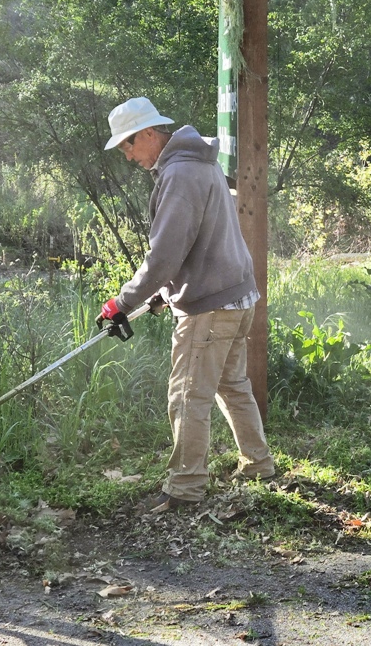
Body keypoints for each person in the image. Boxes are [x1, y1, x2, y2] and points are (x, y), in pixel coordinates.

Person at [100, 97, 274, 513]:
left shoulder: (178, 172)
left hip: (210, 307)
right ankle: (259, 465)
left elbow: (164, 256)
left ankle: (185, 488)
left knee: (186, 394)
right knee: (231, 385)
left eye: (127, 145)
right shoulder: (199, 161)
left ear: (147, 134)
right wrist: (164, 292)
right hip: (236, 295)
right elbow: (199, 241)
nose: (128, 155)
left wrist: (121, 302)